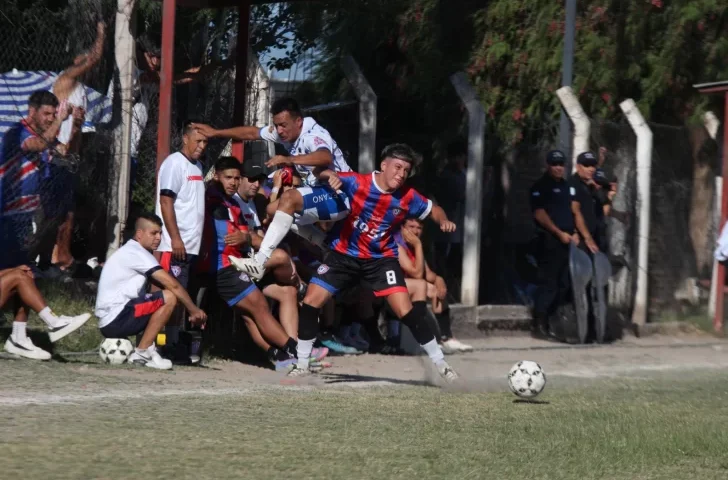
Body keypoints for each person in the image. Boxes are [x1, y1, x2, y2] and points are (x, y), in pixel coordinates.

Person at [286, 143, 459, 381]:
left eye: (406, 170)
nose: (401, 174)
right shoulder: (357, 182)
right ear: (383, 165)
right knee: (310, 301)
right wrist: (328, 176)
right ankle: (302, 364)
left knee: (405, 310)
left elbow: (434, 209)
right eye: (397, 167)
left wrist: (443, 220)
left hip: (380, 260)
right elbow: (322, 172)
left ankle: (442, 365)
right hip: (343, 255)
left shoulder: (408, 197)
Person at [191, 97, 352, 278]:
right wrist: (215, 132)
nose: (279, 131)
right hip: (323, 192)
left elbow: (325, 157)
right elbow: (251, 133)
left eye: (283, 125)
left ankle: (259, 262)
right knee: (273, 210)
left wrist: (289, 159)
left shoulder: (313, 136)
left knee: (289, 199)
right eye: (276, 125)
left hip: (342, 194)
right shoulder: (285, 132)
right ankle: (328, 245)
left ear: (298, 121)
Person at [203, 157, 314, 369]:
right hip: (225, 266)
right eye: (229, 177)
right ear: (216, 176)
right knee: (259, 304)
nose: (233, 182)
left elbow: (247, 236)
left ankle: (282, 357)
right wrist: (248, 238)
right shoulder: (213, 199)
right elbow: (234, 237)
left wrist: (247, 238)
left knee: (268, 303)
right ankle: (297, 351)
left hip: (242, 262)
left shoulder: (233, 203)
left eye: (236, 178)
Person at [232, 159, 328, 365]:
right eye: (251, 180)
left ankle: (296, 350)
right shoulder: (237, 201)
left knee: (288, 291)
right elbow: (253, 233)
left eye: (258, 181)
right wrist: (276, 189)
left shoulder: (254, 202)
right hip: (239, 264)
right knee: (282, 257)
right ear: (239, 179)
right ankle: (299, 287)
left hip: (263, 264)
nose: (255, 184)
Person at [95, 213, 207, 370]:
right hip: (117, 319)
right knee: (169, 297)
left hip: (112, 319)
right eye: (153, 233)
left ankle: (148, 348)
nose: (158, 238)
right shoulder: (137, 253)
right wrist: (193, 310)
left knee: (163, 297)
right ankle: (142, 352)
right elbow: (173, 286)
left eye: (160, 233)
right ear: (139, 234)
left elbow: (160, 286)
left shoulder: (131, 250)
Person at [45, 20, 106, 272]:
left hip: (70, 156)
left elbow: (77, 128)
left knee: (69, 211)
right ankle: (54, 256)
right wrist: (102, 31)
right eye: (81, 61)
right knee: (59, 211)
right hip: (57, 154)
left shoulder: (81, 90)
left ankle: (61, 255)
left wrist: (77, 146)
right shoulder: (66, 80)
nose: (86, 65)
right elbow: (94, 57)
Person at [1, 90, 71, 270]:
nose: (51, 119)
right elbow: (38, 145)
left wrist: (75, 125)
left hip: (29, 207)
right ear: (32, 112)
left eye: (53, 114)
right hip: (8, 207)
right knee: (9, 262)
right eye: (46, 114)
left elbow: (64, 150)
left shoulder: (45, 135)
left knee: (21, 260)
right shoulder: (18, 132)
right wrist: (59, 120)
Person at [154, 120, 207, 352]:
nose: (202, 146)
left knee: (179, 294)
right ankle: (157, 342)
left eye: (205, 142)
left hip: (190, 246)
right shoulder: (174, 163)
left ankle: (172, 342)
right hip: (174, 245)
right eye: (198, 141)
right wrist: (175, 238)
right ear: (185, 139)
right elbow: (166, 201)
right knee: (169, 294)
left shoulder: (198, 167)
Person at [396, 218, 473, 353]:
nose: (415, 231)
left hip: (411, 286)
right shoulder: (397, 245)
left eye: (419, 228)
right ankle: (422, 340)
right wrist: (418, 245)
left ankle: (446, 338)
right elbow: (416, 274)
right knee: (425, 287)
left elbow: (427, 273)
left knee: (437, 289)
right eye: (411, 227)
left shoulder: (413, 246)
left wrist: (438, 279)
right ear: (402, 228)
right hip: (391, 287)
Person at [529, 150, 580, 339]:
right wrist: (559, 233)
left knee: (564, 284)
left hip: (568, 241)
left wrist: (575, 232)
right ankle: (539, 325)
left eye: (561, 164)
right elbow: (539, 214)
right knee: (548, 283)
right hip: (549, 240)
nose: (558, 168)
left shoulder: (567, 187)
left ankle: (553, 322)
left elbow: (574, 211)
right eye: (554, 164)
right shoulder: (540, 186)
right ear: (548, 165)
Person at [434, 140, 467, 299]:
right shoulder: (448, 176)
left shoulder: (462, 174)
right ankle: (445, 295)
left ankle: (453, 294)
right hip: (448, 232)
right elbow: (462, 194)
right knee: (446, 265)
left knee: (455, 266)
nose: (460, 160)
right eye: (458, 157)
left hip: (459, 230)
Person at [569, 151, 602, 254]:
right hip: (580, 239)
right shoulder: (574, 184)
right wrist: (588, 238)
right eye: (587, 165)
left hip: (590, 237)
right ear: (578, 167)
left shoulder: (588, 186)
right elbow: (575, 211)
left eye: (593, 165)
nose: (591, 169)